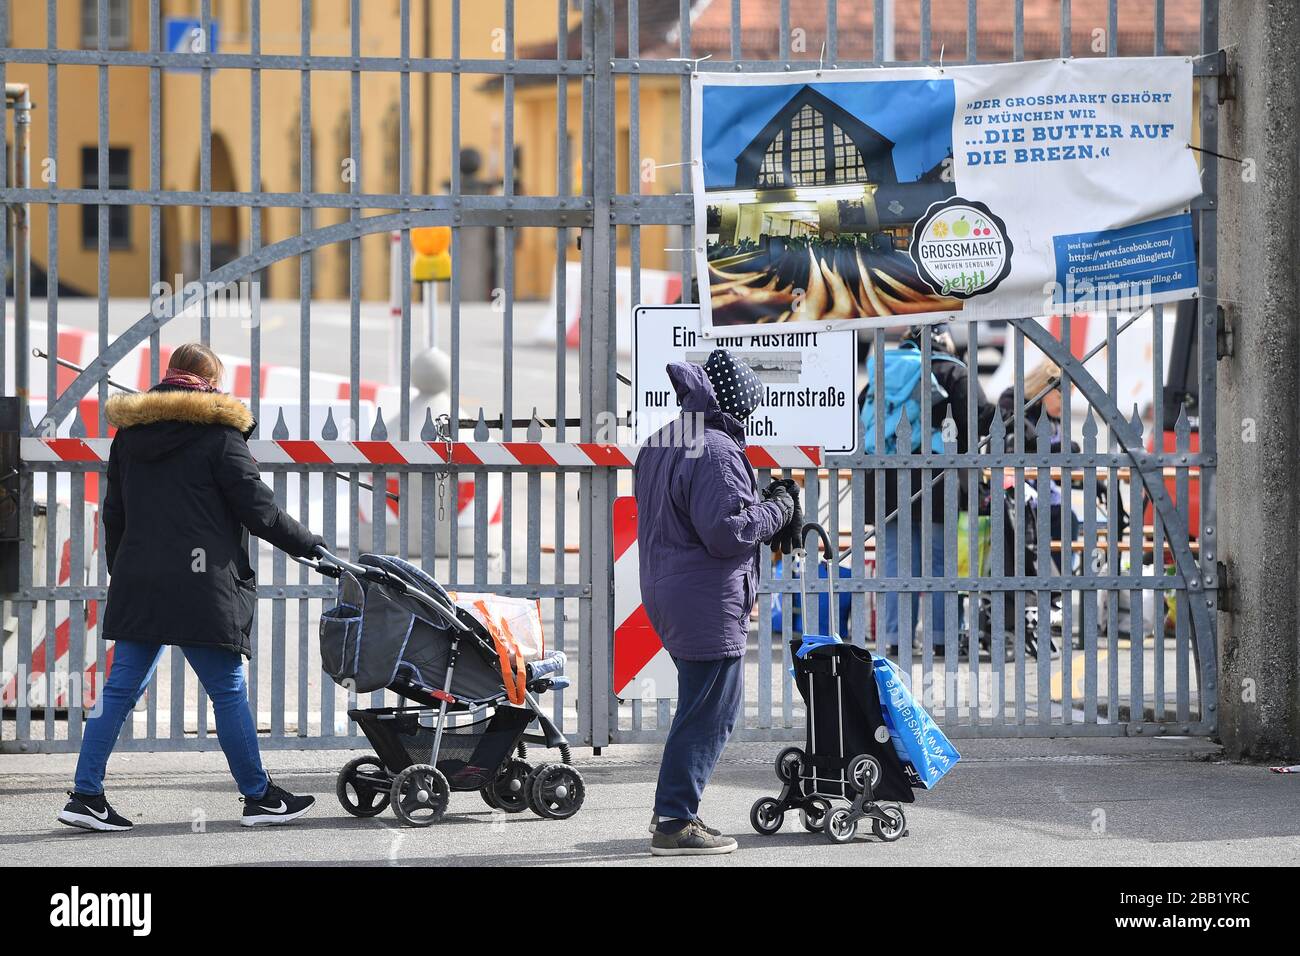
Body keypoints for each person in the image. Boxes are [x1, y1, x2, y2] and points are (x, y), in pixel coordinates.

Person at [57, 344, 325, 832]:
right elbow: (259, 511)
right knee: (227, 690)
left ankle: (85, 795)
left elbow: (112, 513)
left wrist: (128, 570)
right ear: (211, 383)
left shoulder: (130, 437)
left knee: (118, 690)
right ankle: (259, 796)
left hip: (143, 580)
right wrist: (311, 548)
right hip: (201, 587)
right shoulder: (219, 438)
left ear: (170, 377)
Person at [634, 350, 797, 856]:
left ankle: (677, 813)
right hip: (705, 598)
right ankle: (675, 820)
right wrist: (778, 508)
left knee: (698, 705)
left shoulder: (663, 439)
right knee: (709, 713)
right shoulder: (718, 450)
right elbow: (727, 533)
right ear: (737, 405)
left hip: (669, 589)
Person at [860, 324, 994, 655]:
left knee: (894, 561)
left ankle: (893, 637)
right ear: (940, 340)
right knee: (939, 562)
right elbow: (978, 420)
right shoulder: (952, 371)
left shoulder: (884, 369)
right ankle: (941, 638)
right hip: (938, 478)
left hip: (888, 479)